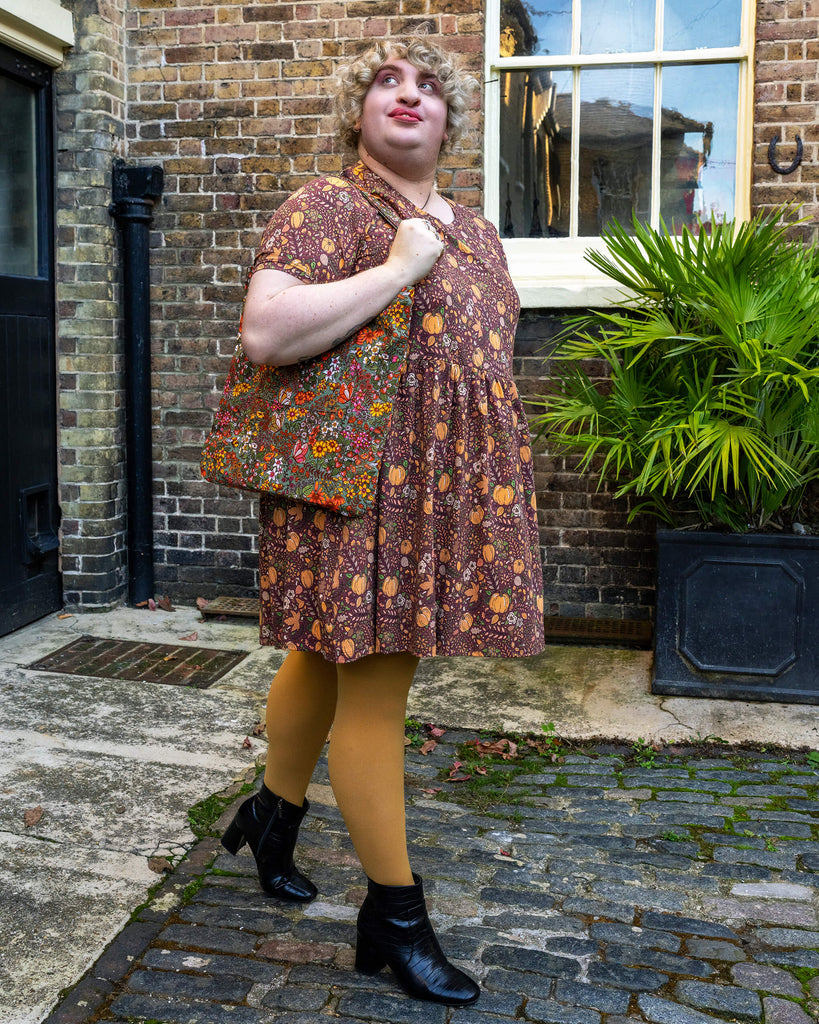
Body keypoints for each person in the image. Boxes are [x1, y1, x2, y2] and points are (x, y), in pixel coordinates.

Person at [219, 34, 546, 1006]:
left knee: (321, 654)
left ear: (453, 118)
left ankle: (271, 818)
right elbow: (266, 331)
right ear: (356, 110)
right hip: (350, 490)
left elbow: (477, 365)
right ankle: (394, 918)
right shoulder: (332, 206)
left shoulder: (481, 234)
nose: (409, 96)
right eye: (385, 82)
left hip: (435, 495)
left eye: (428, 86)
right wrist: (400, 267)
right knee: (368, 680)